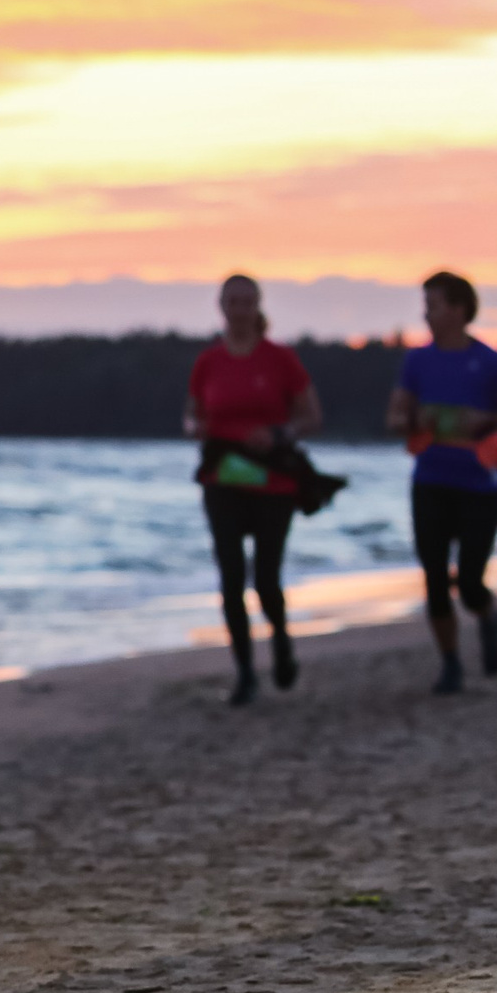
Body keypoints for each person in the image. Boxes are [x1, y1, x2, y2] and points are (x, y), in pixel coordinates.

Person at [385, 272, 497, 695]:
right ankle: (450, 663)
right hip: (430, 480)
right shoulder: (417, 361)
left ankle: (488, 617)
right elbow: (393, 419)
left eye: (433, 304)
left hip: (480, 485)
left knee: (468, 581)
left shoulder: (491, 362)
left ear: (459, 309)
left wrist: (486, 420)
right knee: (433, 578)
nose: (425, 313)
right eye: (425, 304)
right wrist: (414, 421)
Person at [182, 275, 323, 705]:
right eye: (232, 301)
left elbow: (311, 417)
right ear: (221, 306)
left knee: (265, 576)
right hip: (222, 480)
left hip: (273, 482)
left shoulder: (280, 359)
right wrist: (195, 428)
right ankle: (244, 671)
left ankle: (280, 640)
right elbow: (190, 416)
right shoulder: (208, 362)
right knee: (230, 577)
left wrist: (280, 433)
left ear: (256, 306)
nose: (239, 309)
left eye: (247, 301)